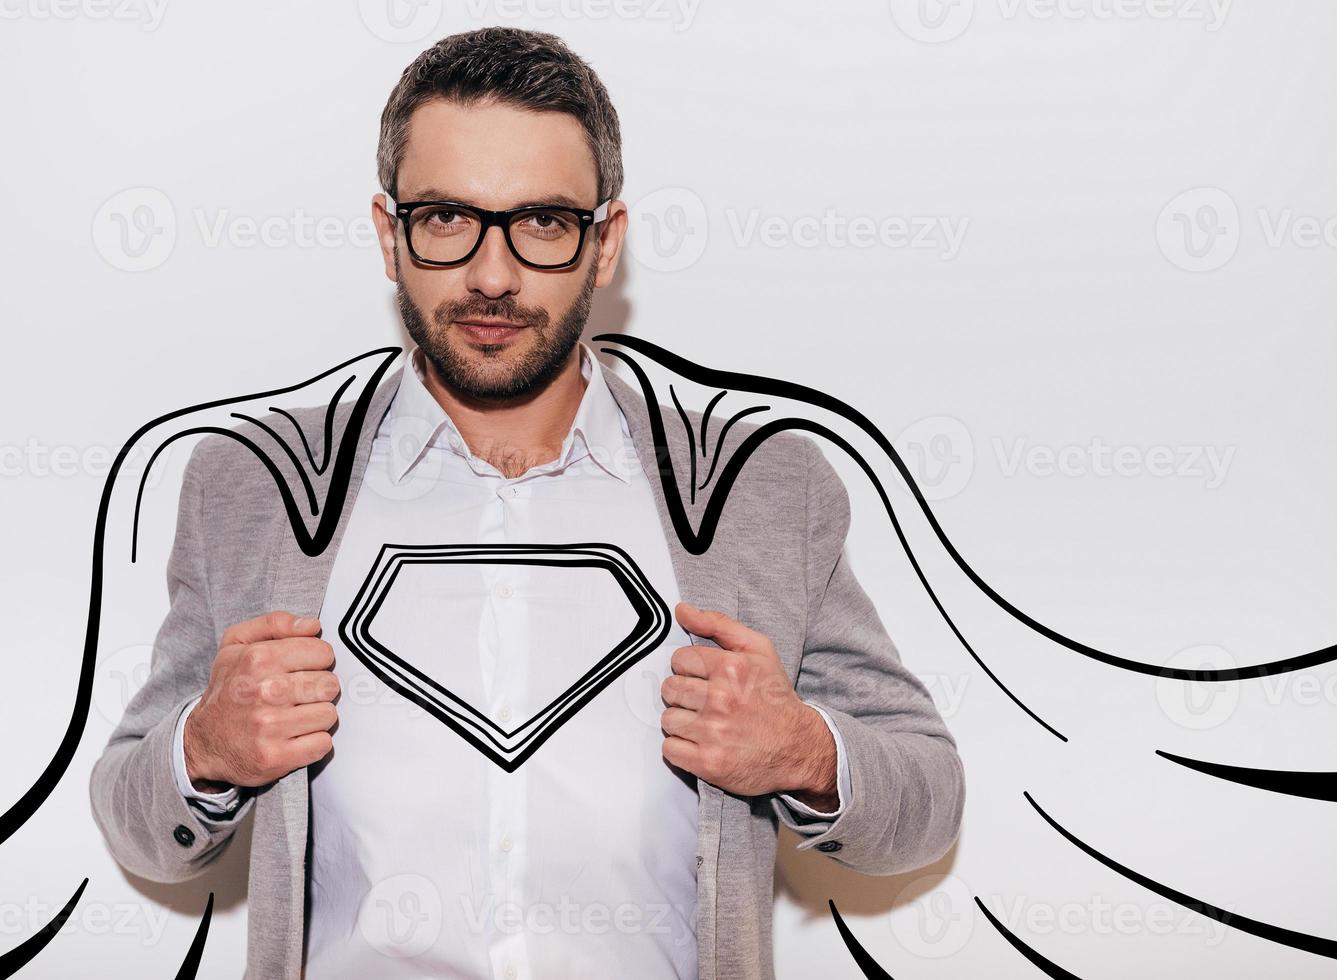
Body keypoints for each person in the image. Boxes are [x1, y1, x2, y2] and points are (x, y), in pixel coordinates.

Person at [90, 26, 964, 980]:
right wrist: (205, 747)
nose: (493, 275)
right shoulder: (250, 485)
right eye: (446, 217)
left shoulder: (763, 488)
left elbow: (926, 801)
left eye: (543, 222)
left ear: (605, 244)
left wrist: (807, 753)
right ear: (391, 235)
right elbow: (139, 821)